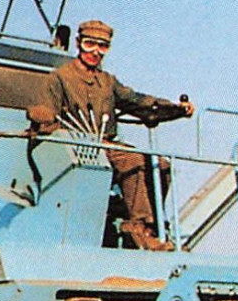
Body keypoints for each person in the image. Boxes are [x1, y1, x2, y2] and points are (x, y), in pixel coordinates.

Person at [27, 19, 193, 250]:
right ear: (78, 44)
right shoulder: (60, 78)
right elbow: (46, 116)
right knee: (134, 160)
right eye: (89, 44)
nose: (95, 52)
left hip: (106, 146)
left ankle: (147, 226)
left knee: (161, 165)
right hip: (74, 147)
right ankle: (138, 228)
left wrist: (174, 109)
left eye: (102, 46)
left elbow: (137, 101)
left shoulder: (107, 82)